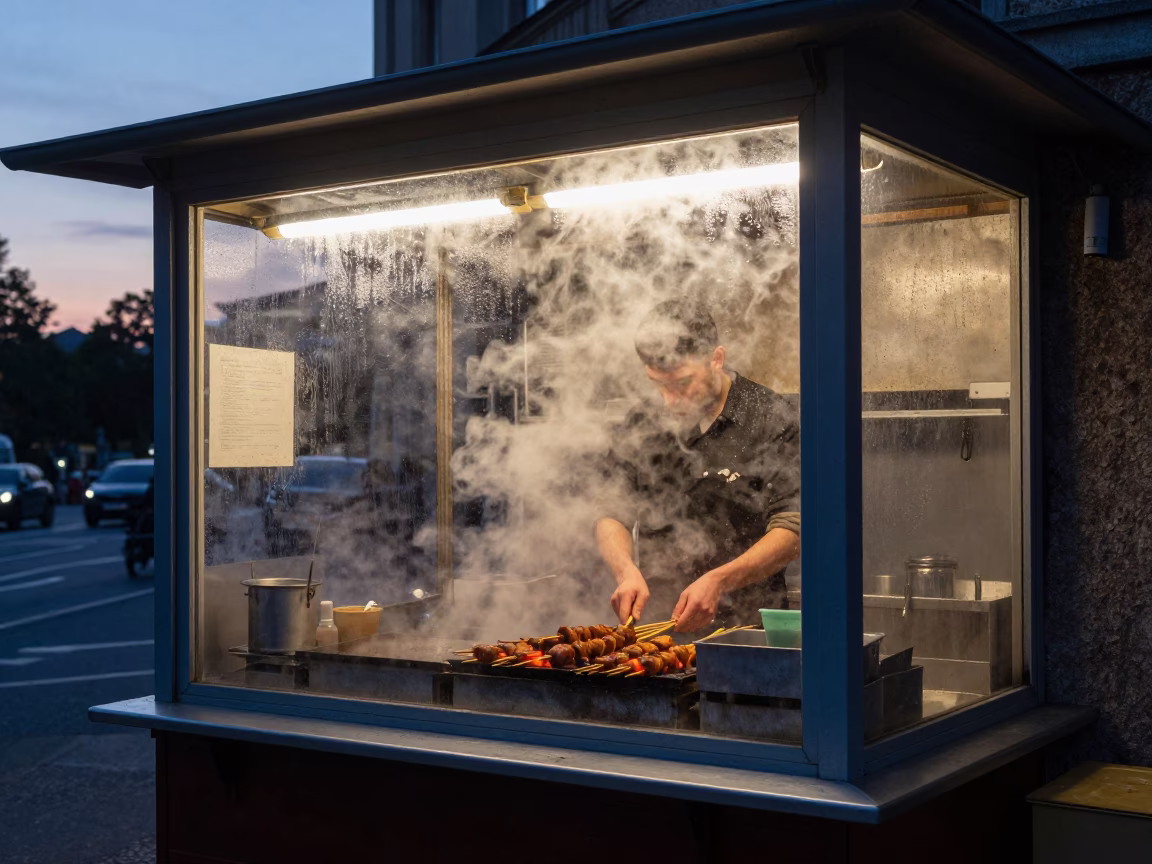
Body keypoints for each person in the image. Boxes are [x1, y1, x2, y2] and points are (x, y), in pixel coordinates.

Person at [594, 299, 800, 634]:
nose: (669, 400)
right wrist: (625, 571)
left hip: (746, 631)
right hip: (658, 630)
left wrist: (719, 581)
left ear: (716, 359)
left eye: (682, 383)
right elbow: (611, 510)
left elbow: (793, 530)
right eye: (658, 384)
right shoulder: (642, 422)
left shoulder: (770, 418)